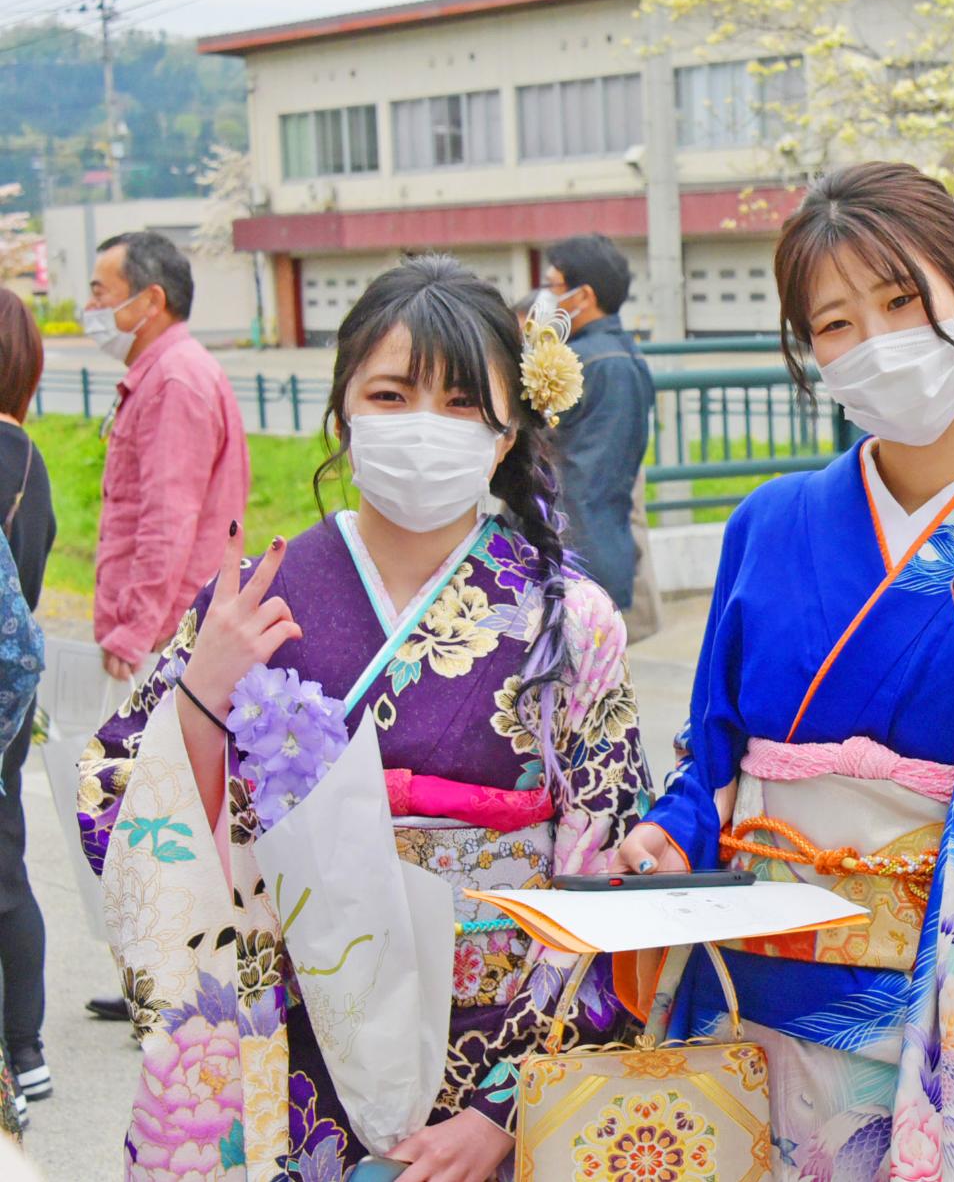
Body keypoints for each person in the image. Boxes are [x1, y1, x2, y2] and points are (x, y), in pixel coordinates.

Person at [612, 162, 954, 1178]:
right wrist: (663, 839)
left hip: (952, 1013)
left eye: (901, 302)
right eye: (833, 325)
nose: (872, 342)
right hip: (750, 1019)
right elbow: (712, 767)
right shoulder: (765, 526)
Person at [78, 255, 652, 1181]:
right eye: (391, 393)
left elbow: (607, 860)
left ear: (509, 431)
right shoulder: (255, 602)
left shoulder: (569, 621)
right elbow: (118, 806)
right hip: (296, 1038)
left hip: (497, 1048)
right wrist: (202, 693)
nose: (425, 425)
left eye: (464, 403)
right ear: (344, 410)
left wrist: (510, 1102)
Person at [86, 231, 249, 684]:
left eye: (100, 293)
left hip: (162, 641)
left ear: (151, 300)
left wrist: (134, 630)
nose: (90, 309)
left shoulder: (174, 381)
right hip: (166, 633)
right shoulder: (170, 372)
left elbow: (168, 519)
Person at [539, 235, 655, 620]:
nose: (549, 299)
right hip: (605, 547)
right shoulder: (626, 354)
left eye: (553, 287)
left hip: (574, 553)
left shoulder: (578, 363)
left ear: (583, 295)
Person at [0, 294, 55, 1107]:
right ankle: (26, 1048)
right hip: (7, 700)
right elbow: (36, 578)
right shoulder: (29, 460)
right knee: (7, 864)